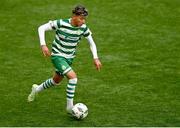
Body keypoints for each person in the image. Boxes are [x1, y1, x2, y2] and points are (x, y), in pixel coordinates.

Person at [27, 5, 102, 113]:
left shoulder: (83, 28)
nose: (83, 21)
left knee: (55, 80)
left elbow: (92, 43)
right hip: (57, 56)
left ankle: (36, 89)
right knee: (73, 78)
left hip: (69, 58)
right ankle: (69, 107)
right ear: (74, 16)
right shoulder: (61, 23)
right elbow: (41, 28)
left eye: (84, 19)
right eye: (81, 18)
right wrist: (43, 45)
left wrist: (96, 58)